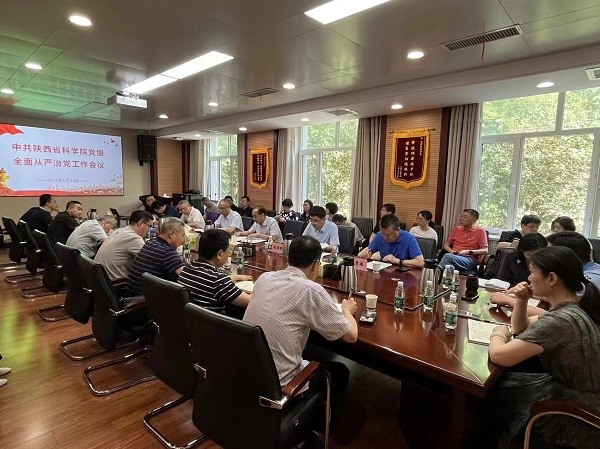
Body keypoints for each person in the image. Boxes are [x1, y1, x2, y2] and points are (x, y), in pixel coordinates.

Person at [479, 246, 600, 448]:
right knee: (500, 386)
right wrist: (522, 300)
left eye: (532, 271)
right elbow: (521, 327)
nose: (528, 278)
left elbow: (500, 356)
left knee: (491, 397)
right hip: (571, 392)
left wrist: (498, 333)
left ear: (551, 278)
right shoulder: (575, 305)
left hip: (573, 413)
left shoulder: (562, 320)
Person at [243, 235, 358, 424]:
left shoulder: (265, 278)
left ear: (289, 258)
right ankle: (312, 426)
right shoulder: (311, 290)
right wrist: (346, 310)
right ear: (316, 265)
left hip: (247, 370)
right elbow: (351, 336)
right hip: (278, 384)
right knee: (339, 372)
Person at [178, 229, 252, 313]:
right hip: (213, 321)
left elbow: (207, 279)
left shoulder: (187, 268)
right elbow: (252, 302)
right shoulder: (218, 280)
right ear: (219, 254)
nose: (228, 254)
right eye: (228, 251)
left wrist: (236, 277)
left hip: (192, 319)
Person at [127, 218, 187, 295]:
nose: (183, 240)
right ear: (172, 234)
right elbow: (187, 277)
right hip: (143, 300)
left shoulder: (150, 243)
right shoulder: (166, 251)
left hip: (131, 294)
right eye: (182, 236)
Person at [94, 211, 154, 281]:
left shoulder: (119, 231)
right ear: (140, 223)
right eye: (149, 226)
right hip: (115, 283)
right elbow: (152, 261)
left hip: (99, 279)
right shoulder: (133, 238)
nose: (149, 230)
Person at [357, 214, 424, 267]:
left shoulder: (409, 238)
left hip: (404, 275)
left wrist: (397, 261)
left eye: (390, 235)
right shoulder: (379, 235)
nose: (386, 238)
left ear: (398, 230)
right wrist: (364, 254)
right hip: (384, 273)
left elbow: (420, 262)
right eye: (383, 234)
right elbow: (368, 251)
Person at [438, 208, 488, 273]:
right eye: (462, 216)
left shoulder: (480, 231)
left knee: (447, 256)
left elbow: (485, 250)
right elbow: (446, 245)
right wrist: (452, 251)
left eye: (465, 217)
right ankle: (446, 278)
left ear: (474, 219)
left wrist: (468, 252)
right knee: (449, 267)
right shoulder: (457, 229)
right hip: (454, 256)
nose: (462, 219)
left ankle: (436, 274)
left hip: (469, 260)